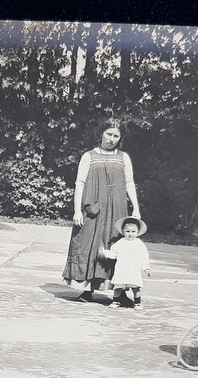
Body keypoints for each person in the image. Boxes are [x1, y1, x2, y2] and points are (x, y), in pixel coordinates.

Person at [62, 119, 142, 302]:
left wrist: (135, 208)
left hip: (118, 208)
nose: (112, 139)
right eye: (109, 134)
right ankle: (87, 291)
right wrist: (76, 210)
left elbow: (129, 183)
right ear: (101, 134)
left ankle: (120, 293)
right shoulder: (89, 156)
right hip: (93, 209)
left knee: (116, 246)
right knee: (89, 244)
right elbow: (79, 183)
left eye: (116, 136)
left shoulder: (123, 158)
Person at [98, 216, 151, 310]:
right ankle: (115, 301)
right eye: (127, 231)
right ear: (123, 231)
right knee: (118, 286)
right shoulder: (120, 243)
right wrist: (105, 253)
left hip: (134, 269)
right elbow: (114, 254)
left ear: (138, 232)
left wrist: (146, 268)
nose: (130, 234)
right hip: (121, 269)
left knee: (135, 287)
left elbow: (144, 256)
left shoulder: (139, 244)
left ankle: (137, 302)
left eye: (133, 231)